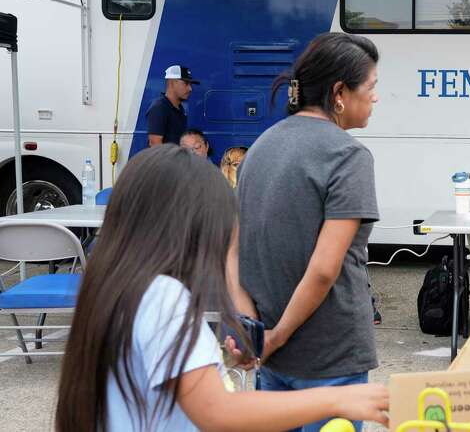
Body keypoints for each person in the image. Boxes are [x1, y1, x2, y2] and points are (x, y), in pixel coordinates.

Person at [55, 145, 389, 431]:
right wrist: (337, 398)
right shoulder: (164, 298)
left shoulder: (115, 286)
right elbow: (215, 412)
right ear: (190, 228)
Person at [236, 32, 381, 432]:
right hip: (330, 357)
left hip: (272, 356)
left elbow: (234, 251)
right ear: (339, 92)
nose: (375, 98)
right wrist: (278, 336)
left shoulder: (260, 146)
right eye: (370, 87)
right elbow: (322, 270)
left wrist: (256, 333)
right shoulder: (349, 155)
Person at [146, 65, 199, 147]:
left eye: (190, 84)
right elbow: (155, 144)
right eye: (186, 83)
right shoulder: (160, 108)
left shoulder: (180, 109)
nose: (190, 89)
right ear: (171, 83)